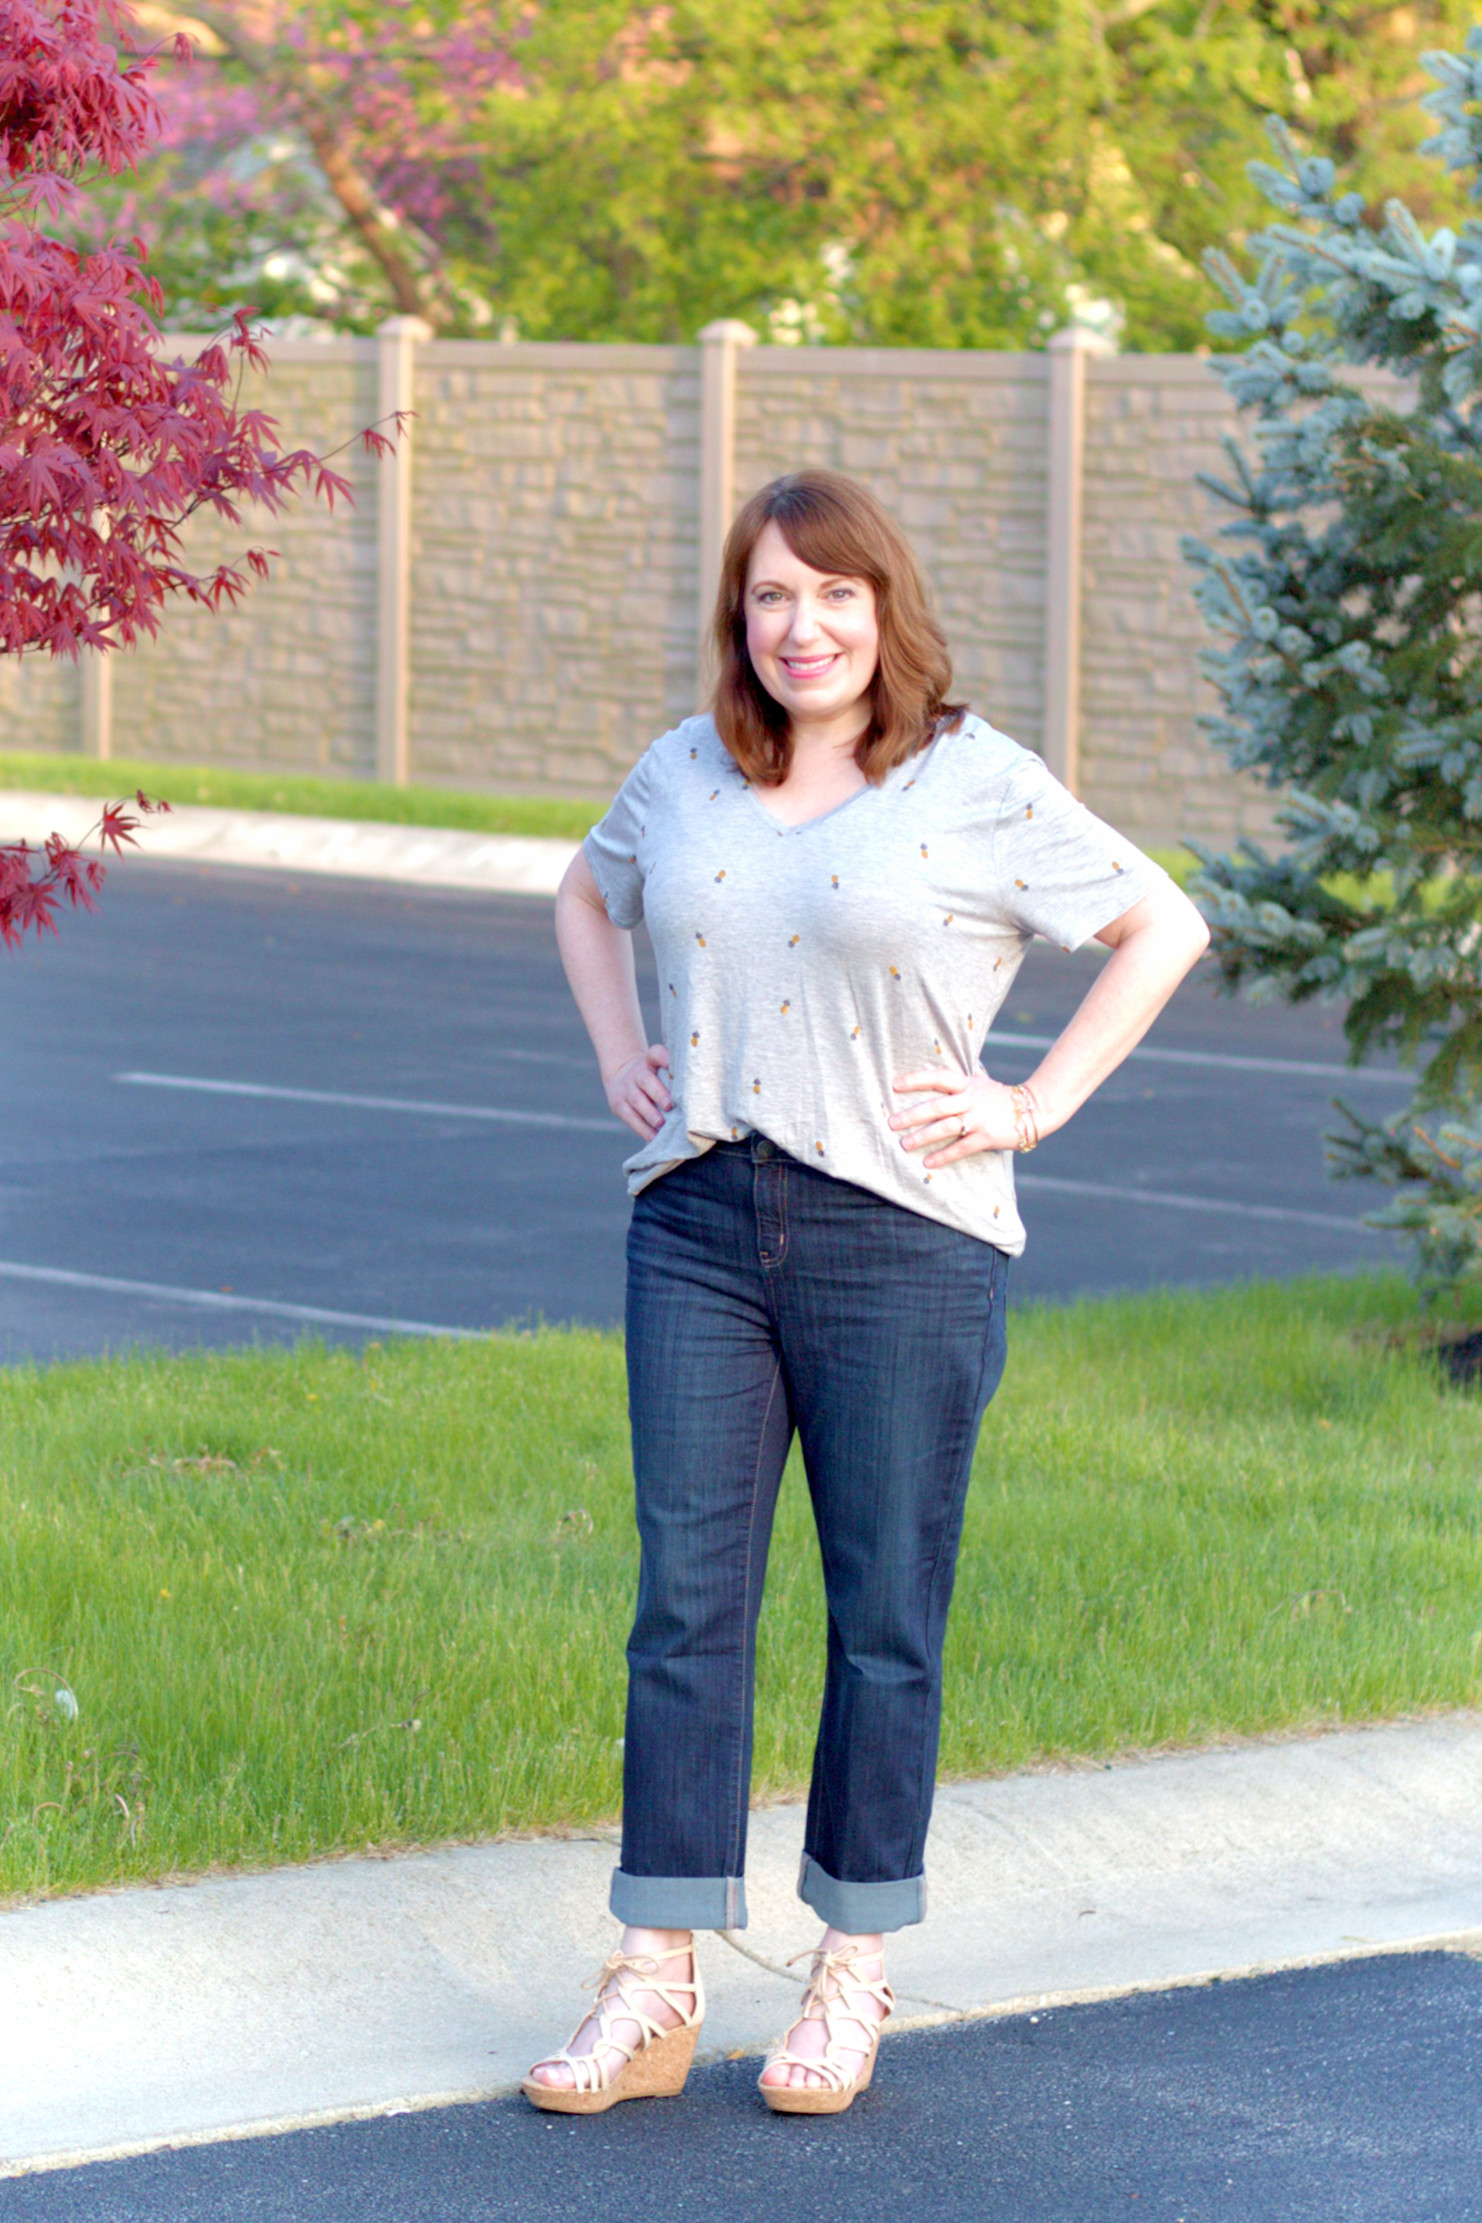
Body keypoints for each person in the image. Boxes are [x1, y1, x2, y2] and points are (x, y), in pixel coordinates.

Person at [525, 468, 1209, 2117]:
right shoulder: (685, 771)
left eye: (833, 595)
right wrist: (623, 1054)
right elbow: (579, 893)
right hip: (693, 1219)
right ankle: (655, 1979)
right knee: (685, 1606)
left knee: (881, 1619)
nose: (800, 626)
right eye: (770, 596)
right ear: (736, 619)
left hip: (903, 1235)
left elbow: (1160, 924)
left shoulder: (971, 782)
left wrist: (1026, 1105)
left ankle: (849, 1966)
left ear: (884, 610)